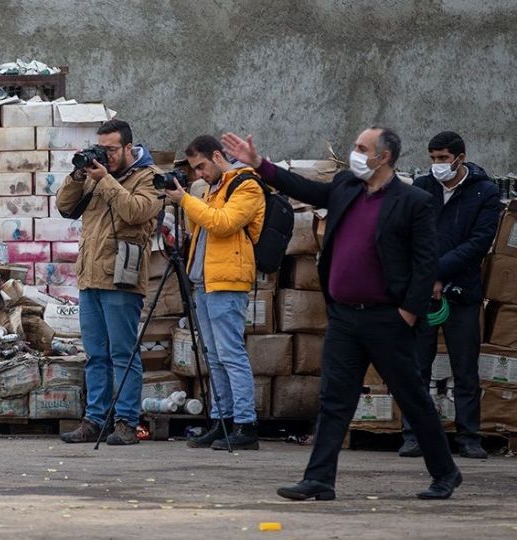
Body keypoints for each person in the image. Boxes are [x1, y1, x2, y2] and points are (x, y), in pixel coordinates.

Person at [221, 128, 462, 500]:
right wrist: (259, 164)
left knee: (412, 397)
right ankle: (319, 480)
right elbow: (303, 188)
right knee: (334, 399)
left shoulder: (412, 201)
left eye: (362, 148)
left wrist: (408, 314)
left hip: (388, 320)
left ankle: (445, 472)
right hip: (345, 319)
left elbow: (425, 262)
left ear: (383, 157)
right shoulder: (347, 186)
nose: (354, 153)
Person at [56, 119, 162, 445]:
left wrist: (105, 181)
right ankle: (94, 420)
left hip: (122, 278)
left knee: (123, 354)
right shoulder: (95, 173)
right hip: (90, 276)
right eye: (103, 148)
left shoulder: (150, 176)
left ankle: (127, 423)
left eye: (113, 149)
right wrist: (78, 175)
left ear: (129, 147)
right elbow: (64, 205)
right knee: (96, 355)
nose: (107, 155)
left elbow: (136, 211)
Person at [400, 131, 502, 459]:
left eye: (442, 159)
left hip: (462, 293)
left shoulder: (484, 192)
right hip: (422, 292)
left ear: (459, 157)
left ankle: (469, 437)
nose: (437, 165)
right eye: (432, 159)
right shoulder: (421, 188)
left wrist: (437, 274)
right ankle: (413, 435)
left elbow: (479, 242)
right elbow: (410, 236)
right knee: (417, 367)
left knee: (465, 368)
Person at [163, 135, 265, 450]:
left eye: (202, 166)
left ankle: (245, 424)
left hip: (228, 281)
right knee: (214, 357)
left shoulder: (247, 186)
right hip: (204, 281)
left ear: (218, 157)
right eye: (194, 169)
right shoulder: (211, 189)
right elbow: (200, 229)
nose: (199, 174)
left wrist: (186, 200)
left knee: (231, 354)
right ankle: (222, 420)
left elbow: (223, 224)